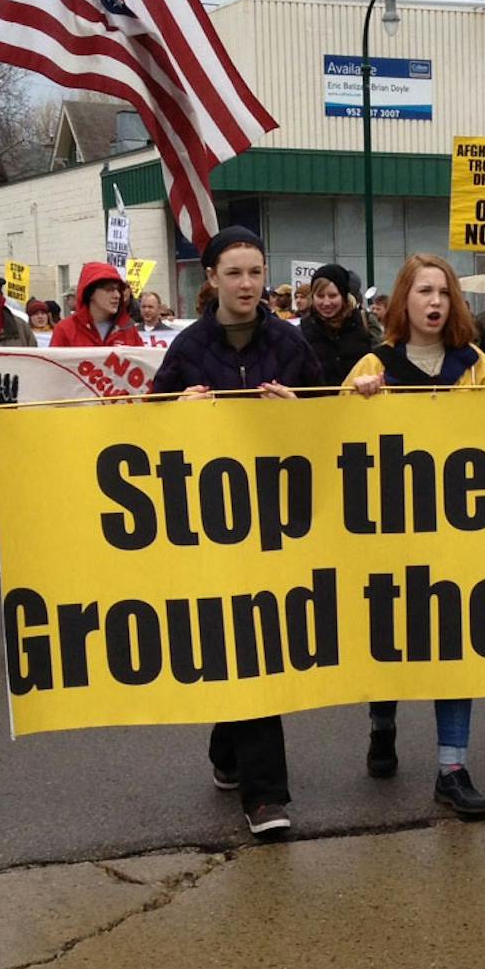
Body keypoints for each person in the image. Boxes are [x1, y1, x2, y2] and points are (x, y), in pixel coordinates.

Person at [343, 255, 485, 819]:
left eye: (443, 292)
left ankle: (451, 767)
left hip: (457, 537)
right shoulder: (371, 364)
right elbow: (333, 444)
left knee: (454, 646)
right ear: (404, 300)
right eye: (423, 291)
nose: (434, 302)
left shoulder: (476, 365)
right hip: (391, 534)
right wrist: (354, 402)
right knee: (387, 638)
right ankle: (382, 723)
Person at [148, 225, 324, 840]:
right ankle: (265, 794)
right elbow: (146, 429)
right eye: (235, 273)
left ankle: (238, 762)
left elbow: (329, 425)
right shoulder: (191, 347)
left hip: (279, 522)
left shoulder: (292, 344)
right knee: (245, 642)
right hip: (215, 526)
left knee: (259, 643)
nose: (248, 284)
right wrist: (178, 414)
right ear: (212, 280)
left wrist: (299, 414)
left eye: (256, 272)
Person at [297, 263, 372, 385]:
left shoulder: (364, 322)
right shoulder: (301, 331)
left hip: (358, 402)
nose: (326, 303)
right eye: (320, 296)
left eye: (332, 296)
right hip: (318, 403)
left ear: (343, 296)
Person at [50, 263, 140, 348]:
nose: (117, 295)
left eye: (118, 290)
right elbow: (52, 363)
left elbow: (142, 362)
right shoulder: (65, 330)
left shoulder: (128, 328)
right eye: (109, 289)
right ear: (90, 293)